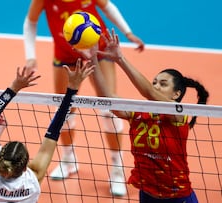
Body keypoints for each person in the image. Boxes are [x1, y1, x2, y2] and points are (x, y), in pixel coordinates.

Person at [23, 0, 144, 196]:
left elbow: (107, 6)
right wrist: (30, 56)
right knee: (64, 109)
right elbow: (30, 22)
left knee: (109, 108)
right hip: (65, 53)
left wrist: (127, 32)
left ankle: (117, 169)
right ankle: (69, 160)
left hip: (99, 50)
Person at [88, 29, 208, 202]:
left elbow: (149, 92)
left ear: (176, 94)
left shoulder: (178, 115)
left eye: (163, 84)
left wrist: (120, 59)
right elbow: (106, 98)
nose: (156, 86)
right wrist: (93, 59)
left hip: (178, 198)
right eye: (154, 83)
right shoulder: (139, 113)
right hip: (147, 195)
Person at [0, 63, 94, 202]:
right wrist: (73, 88)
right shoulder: (34, 177)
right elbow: (54, 131)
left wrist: (14, 88)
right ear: (25, 168)